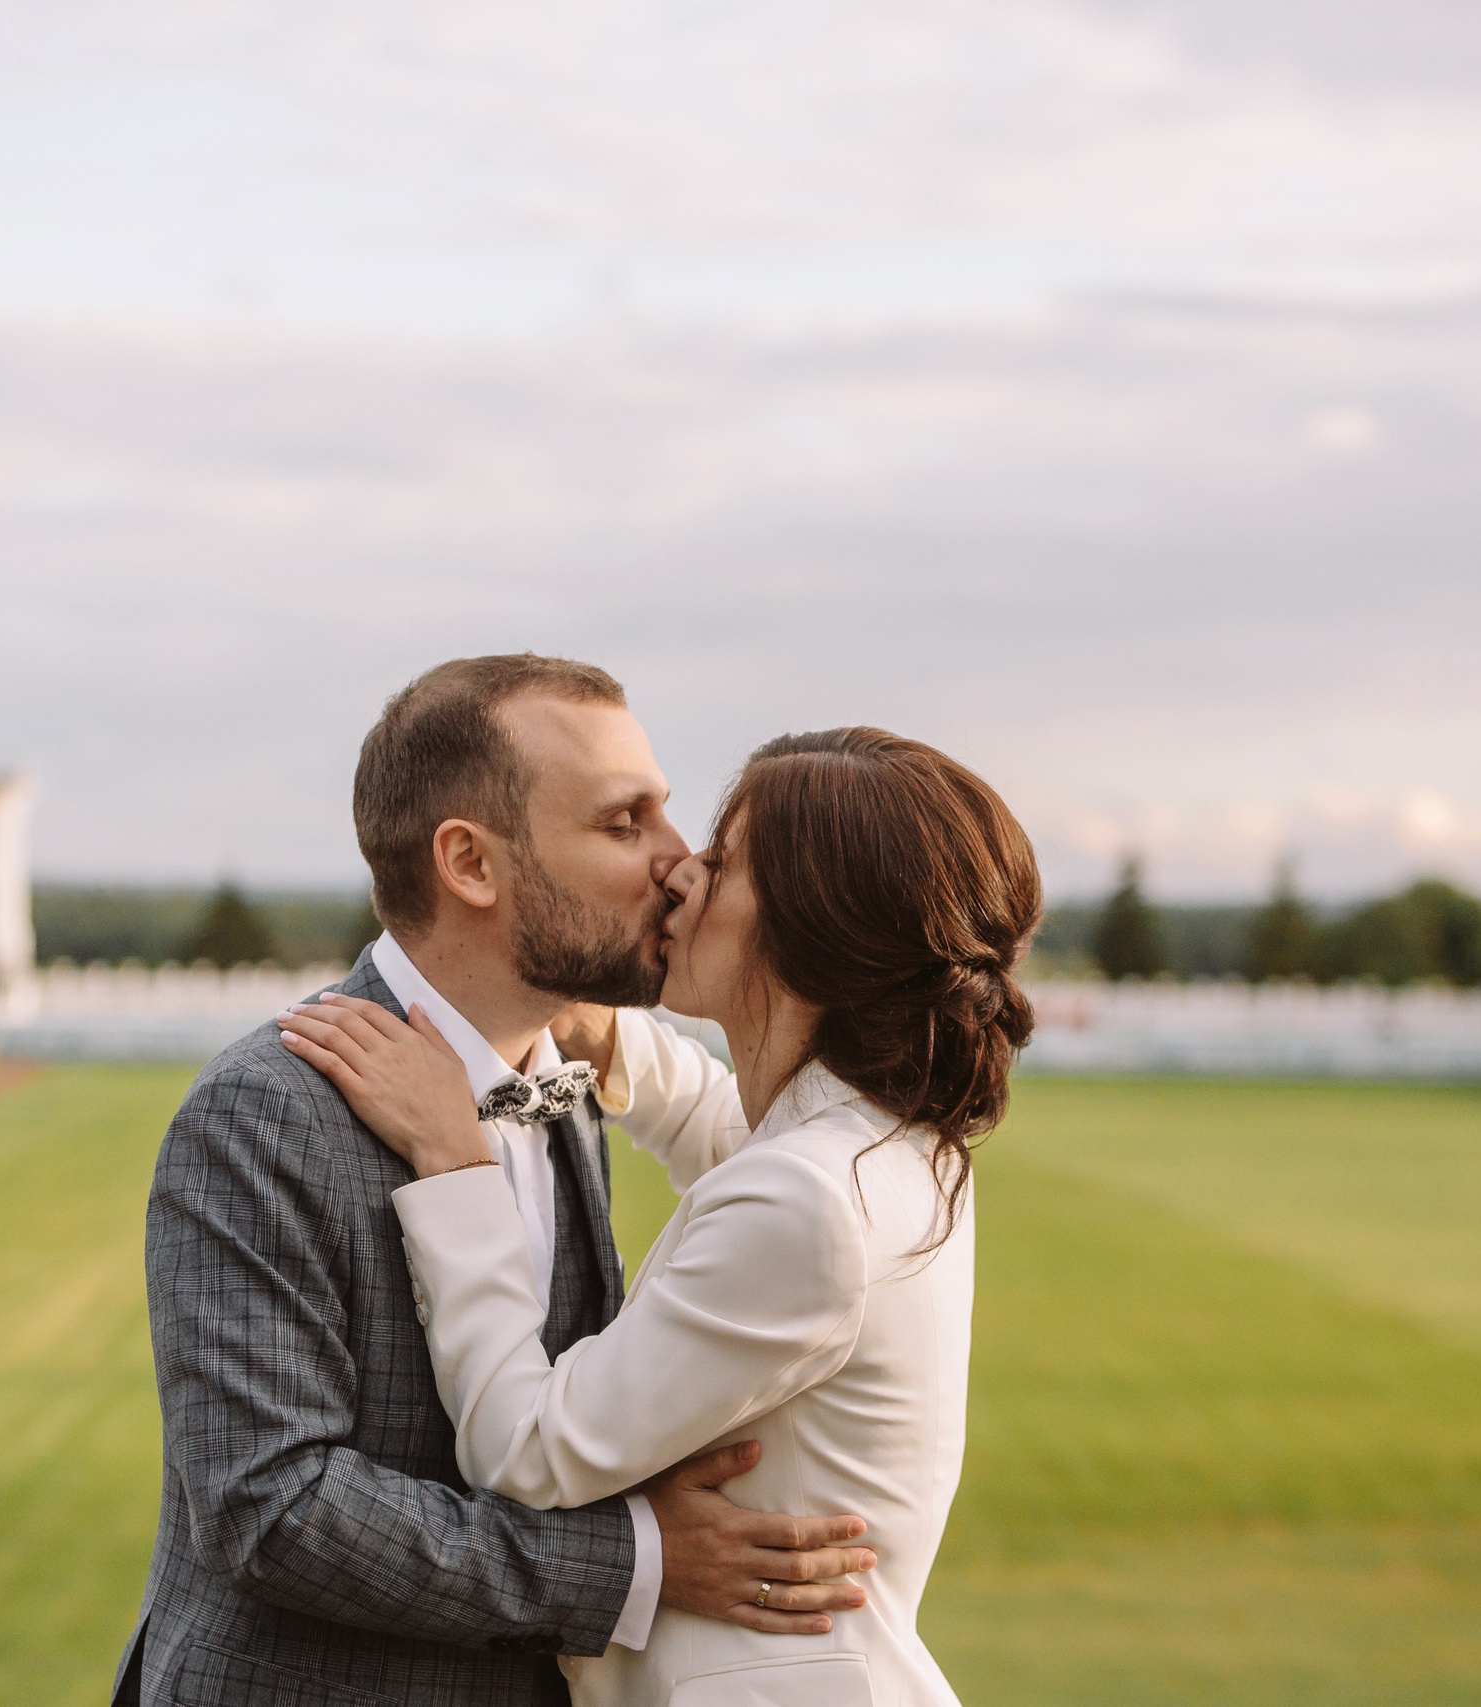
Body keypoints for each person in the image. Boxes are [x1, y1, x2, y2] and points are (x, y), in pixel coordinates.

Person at [117, 657, 881, 1707]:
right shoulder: (262, 1112)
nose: (680, 863)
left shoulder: (560, 1087)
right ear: (470, 863)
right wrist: (636, 1562)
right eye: (625, 824)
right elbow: (272, 1507)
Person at [279, 727, 1041, 1706]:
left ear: (811, 930)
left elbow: (525, 1450)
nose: (679, 871)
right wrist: (598, 1041)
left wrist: (455, 1161)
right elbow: (722, 1126)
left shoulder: (810, 1200)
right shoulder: (878, 1142)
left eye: (722, 863)